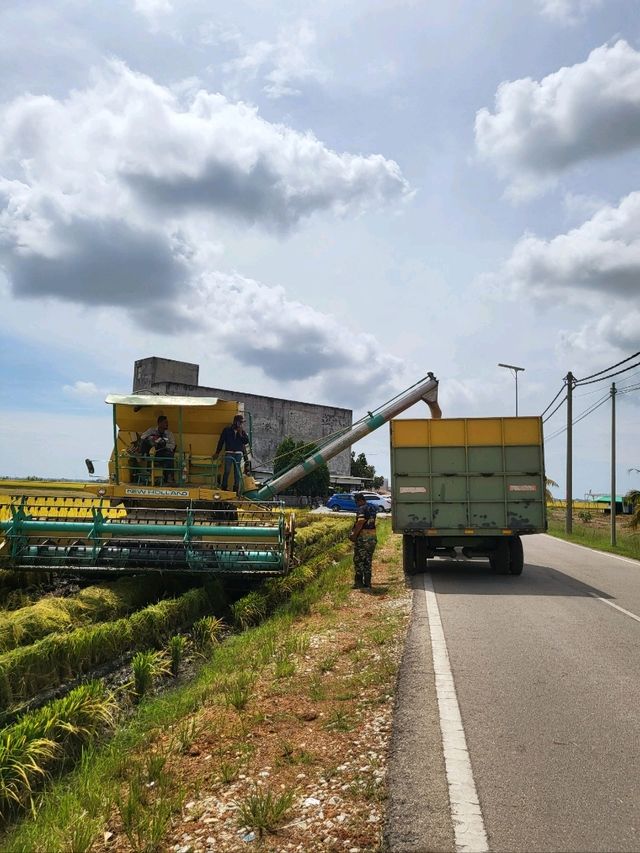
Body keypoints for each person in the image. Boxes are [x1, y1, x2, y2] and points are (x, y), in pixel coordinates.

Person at [214, 414, 250, 493]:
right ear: (236, 422)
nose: (241, 424)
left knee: (237, 472)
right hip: (229, 453)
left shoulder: (242, 432)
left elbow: (246, 441)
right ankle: (224, 487)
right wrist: (217, 452)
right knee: (227, 470)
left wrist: (240, 434)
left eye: (242, 423)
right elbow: (221, 441)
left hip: (238, 454)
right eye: (240, 422)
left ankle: (236, 489)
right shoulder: (227, 430)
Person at [349, 492, 377, 589]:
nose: (356, 504)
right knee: (367, 560)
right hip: (372, 537)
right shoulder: (372, 507)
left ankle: (359, 583)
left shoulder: (362, 508)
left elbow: (360, 522)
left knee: (358, 560)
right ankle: (368, 583)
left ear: (360, 500)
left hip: (363, 538)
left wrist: (354, 535)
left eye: (356, 502)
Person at [139, 415, 176, 484]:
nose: (167, 424)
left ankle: (169, 476)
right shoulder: (152, 430)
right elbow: (142, 437)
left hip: (162, 451)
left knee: (170, 455)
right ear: (159, 423)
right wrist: (152, 438)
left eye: (167, 422)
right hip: (152, 450)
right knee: (144, 441)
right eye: (165, 422)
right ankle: (142, 456)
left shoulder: (169, 434)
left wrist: (164, 444)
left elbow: (172, 446)